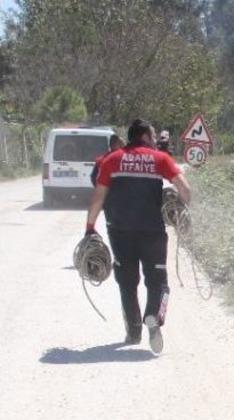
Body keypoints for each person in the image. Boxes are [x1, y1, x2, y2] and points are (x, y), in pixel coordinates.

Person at [85, 119, 191, 352]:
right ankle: (153, 316)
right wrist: (182, 212)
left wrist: (89, 228)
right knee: (158, 282)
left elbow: (98, 197)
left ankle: (133, 332)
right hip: (152, 232)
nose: (154, 140)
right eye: (152, 136)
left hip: (120, 233)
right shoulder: (160, 159)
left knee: (127, 282)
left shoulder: (111, 160)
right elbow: (185, 189)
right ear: (144, 136)